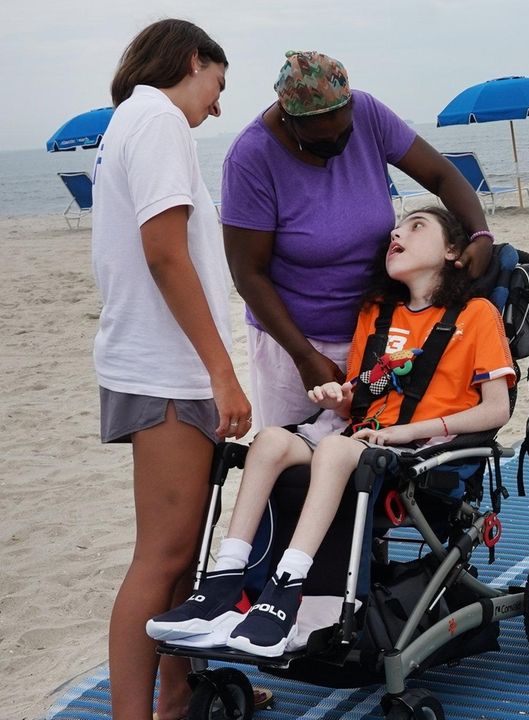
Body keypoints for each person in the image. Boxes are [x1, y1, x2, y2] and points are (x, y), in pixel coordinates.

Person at [146, 207, 516, 657]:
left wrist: (407, 432)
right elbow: (362, 395)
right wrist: (338, 398)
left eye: (417, 226)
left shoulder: (476, 315)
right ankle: (224, 580)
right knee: (270, 441)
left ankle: (287, 586)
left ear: (453, 251)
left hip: (424, 453)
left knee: (336, 450)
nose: (397, 232)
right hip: (361, 439)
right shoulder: (376, 313)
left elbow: (497, 410)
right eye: (397, 227)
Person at [91, 19, 253, 720]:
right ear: (193, 60)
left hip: (154, 363)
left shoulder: (131, 122)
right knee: (161, 557)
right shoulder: (157, 120)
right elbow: (164, 252)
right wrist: (222, 372)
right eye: (219, 81)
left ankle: (178, 698)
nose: (219, 103)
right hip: (165, 371)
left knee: (182, 553)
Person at [220, 51, 495, 432]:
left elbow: (441, 176)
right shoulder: (250, 159)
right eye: (320, 140)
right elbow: (247, 273)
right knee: (290, 454)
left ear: (351, 105)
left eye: (343, 133)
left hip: (381, 331)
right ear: (288, 119)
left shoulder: (368, 113)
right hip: (293, 343)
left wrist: (480, 234)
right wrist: (304, 356)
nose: (336, 144)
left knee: (370, 452)